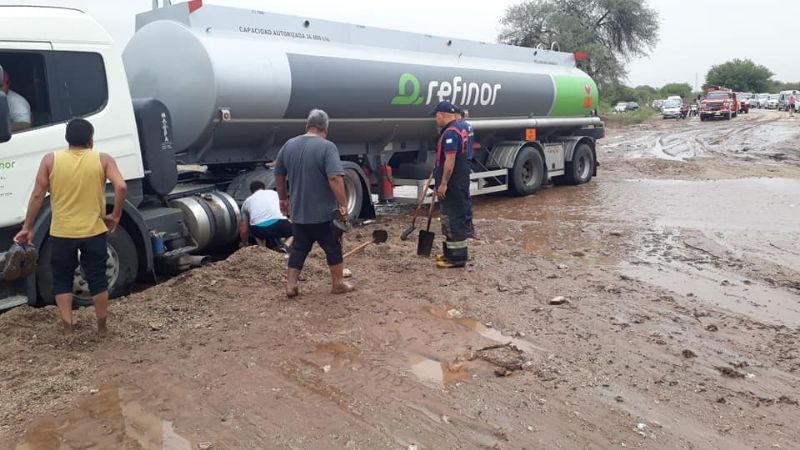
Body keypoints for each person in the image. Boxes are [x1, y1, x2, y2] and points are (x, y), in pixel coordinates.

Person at [14, 119, 127, 335]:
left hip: (62, 232)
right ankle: (102, 326)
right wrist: (116, 214)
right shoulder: (103, 160)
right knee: (97, 277)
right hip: (94, 230)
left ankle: (68, 326)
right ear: (90, 139)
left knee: (62, 278)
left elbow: (38, 194)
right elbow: (121, 186)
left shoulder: (50, 160)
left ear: (68, 139)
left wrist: (28, 227)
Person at [275, 109, 354, 298]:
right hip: (322, 213)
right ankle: (338, 284)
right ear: (325, 128)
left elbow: (278, 174)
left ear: (307, 126)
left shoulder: (288, 145)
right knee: (333, 246)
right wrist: (343, 205)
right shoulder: (327, 147)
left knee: (299, 247)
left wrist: (283, 199)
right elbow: (335, 178)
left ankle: (291, 285)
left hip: (299, 212)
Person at [432, 101, 470, 268]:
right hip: (460, 180)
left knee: (453, 218)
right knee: (451, 217)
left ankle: (457, 258)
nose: (435, 119)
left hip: (453, 183)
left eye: (436, 116)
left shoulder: (450, 133)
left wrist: (443, 183)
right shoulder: (462, 127)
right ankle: (450, 254)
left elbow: (450, 159)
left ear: (441, 115)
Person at [239, 180, 292, 250]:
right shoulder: (275, 193)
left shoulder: (246, 202)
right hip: (279, 224)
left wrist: (245, 243)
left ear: (251, 191)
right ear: (264, 188)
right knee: (298, 230)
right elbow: (287, 208)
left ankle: (263, 250)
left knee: (254, 227)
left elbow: (244, 229)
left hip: (259, 230)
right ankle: (285, 246)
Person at [456, 108, 477, 239]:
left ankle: (464, 226)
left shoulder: (458, 127)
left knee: (460, 195)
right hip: (466, 162)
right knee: (465, 194)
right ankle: (468, 226)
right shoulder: (468, 126)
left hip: (459, 163)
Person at [0, 65, 32, 131]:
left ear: (8, 84)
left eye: (0, 86)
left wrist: (3, 129)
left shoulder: (17, 102)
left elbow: (24, 124)